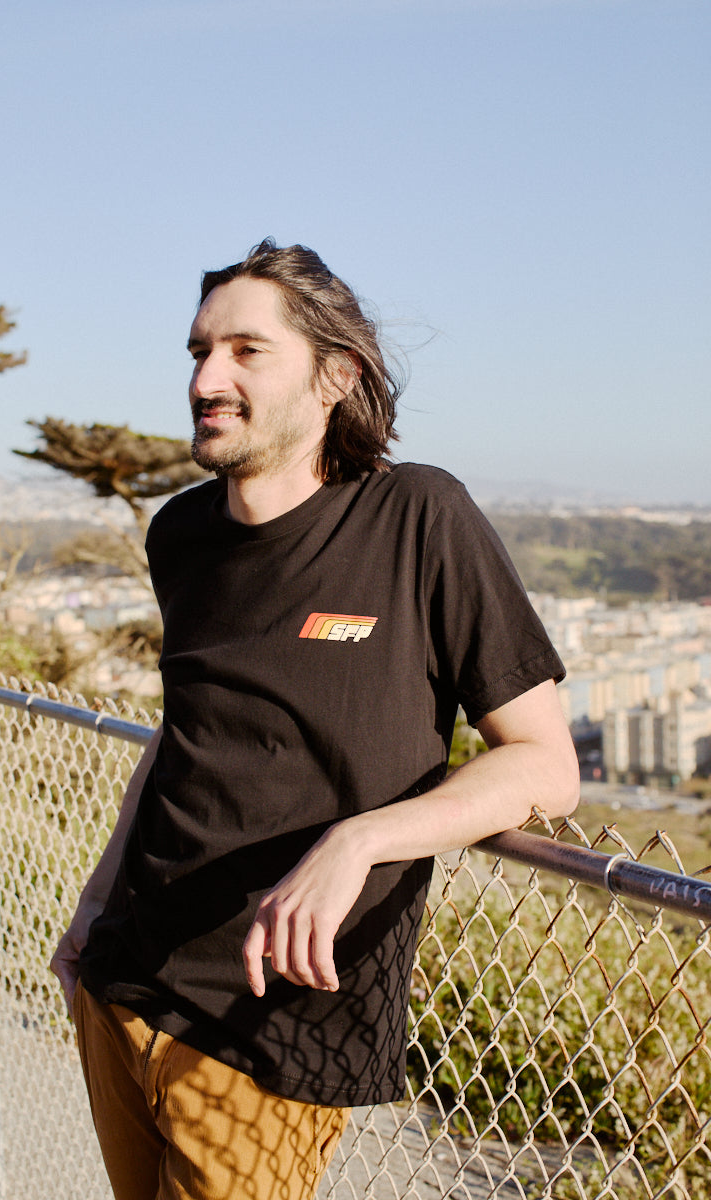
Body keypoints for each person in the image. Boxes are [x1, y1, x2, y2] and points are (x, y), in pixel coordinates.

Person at [50, 238, 579, 1200]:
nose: (207, 378)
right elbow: (185, 733)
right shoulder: (181, 533)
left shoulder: (419, 516)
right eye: (199, 351)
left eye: (247, 351)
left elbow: (544, 763)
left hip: (272, 1023)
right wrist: (94, 905)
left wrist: (361, 841)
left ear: (337, 375)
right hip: (123, 982)